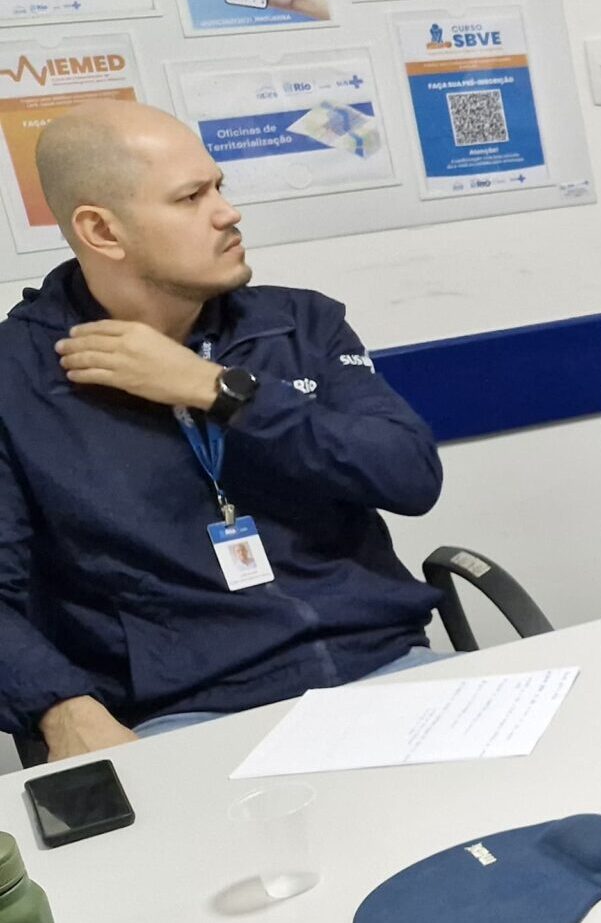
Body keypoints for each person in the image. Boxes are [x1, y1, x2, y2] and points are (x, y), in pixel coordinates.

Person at [0, 101, 447, 758]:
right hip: (180, 716)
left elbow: (409, 474)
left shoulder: (299, 324)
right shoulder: (17, 377)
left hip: (379, 668)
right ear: (102, 230)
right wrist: (59, 707)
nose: (227, 212)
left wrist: (216, 390)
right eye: (190, 197)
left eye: (219, 186)